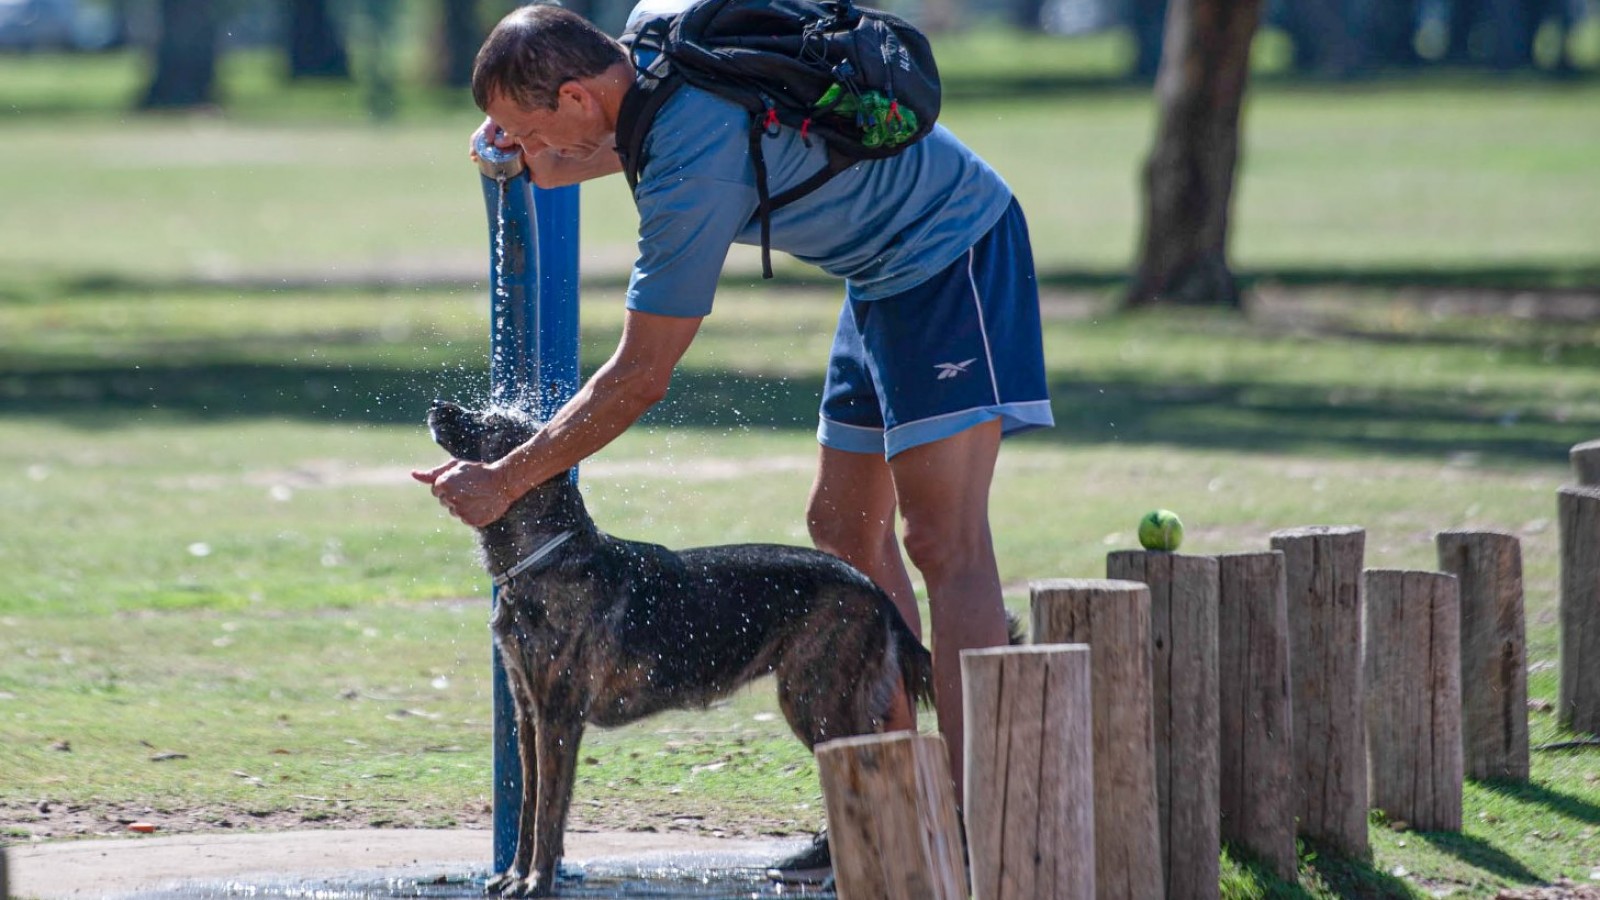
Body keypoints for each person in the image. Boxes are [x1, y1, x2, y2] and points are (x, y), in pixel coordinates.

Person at [412, 1, 1053, 885]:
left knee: (943, 541)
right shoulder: (642, 48)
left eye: (525, 128)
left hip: (951, 250)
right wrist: (529, 155)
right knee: (842, 526)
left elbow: (639, 377)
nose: (516, 145)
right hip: (877, 272)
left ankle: (989, 821)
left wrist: (508, 479)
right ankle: (891, 803)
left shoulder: (689, 170)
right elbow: (576, 162)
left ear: (574, 95)